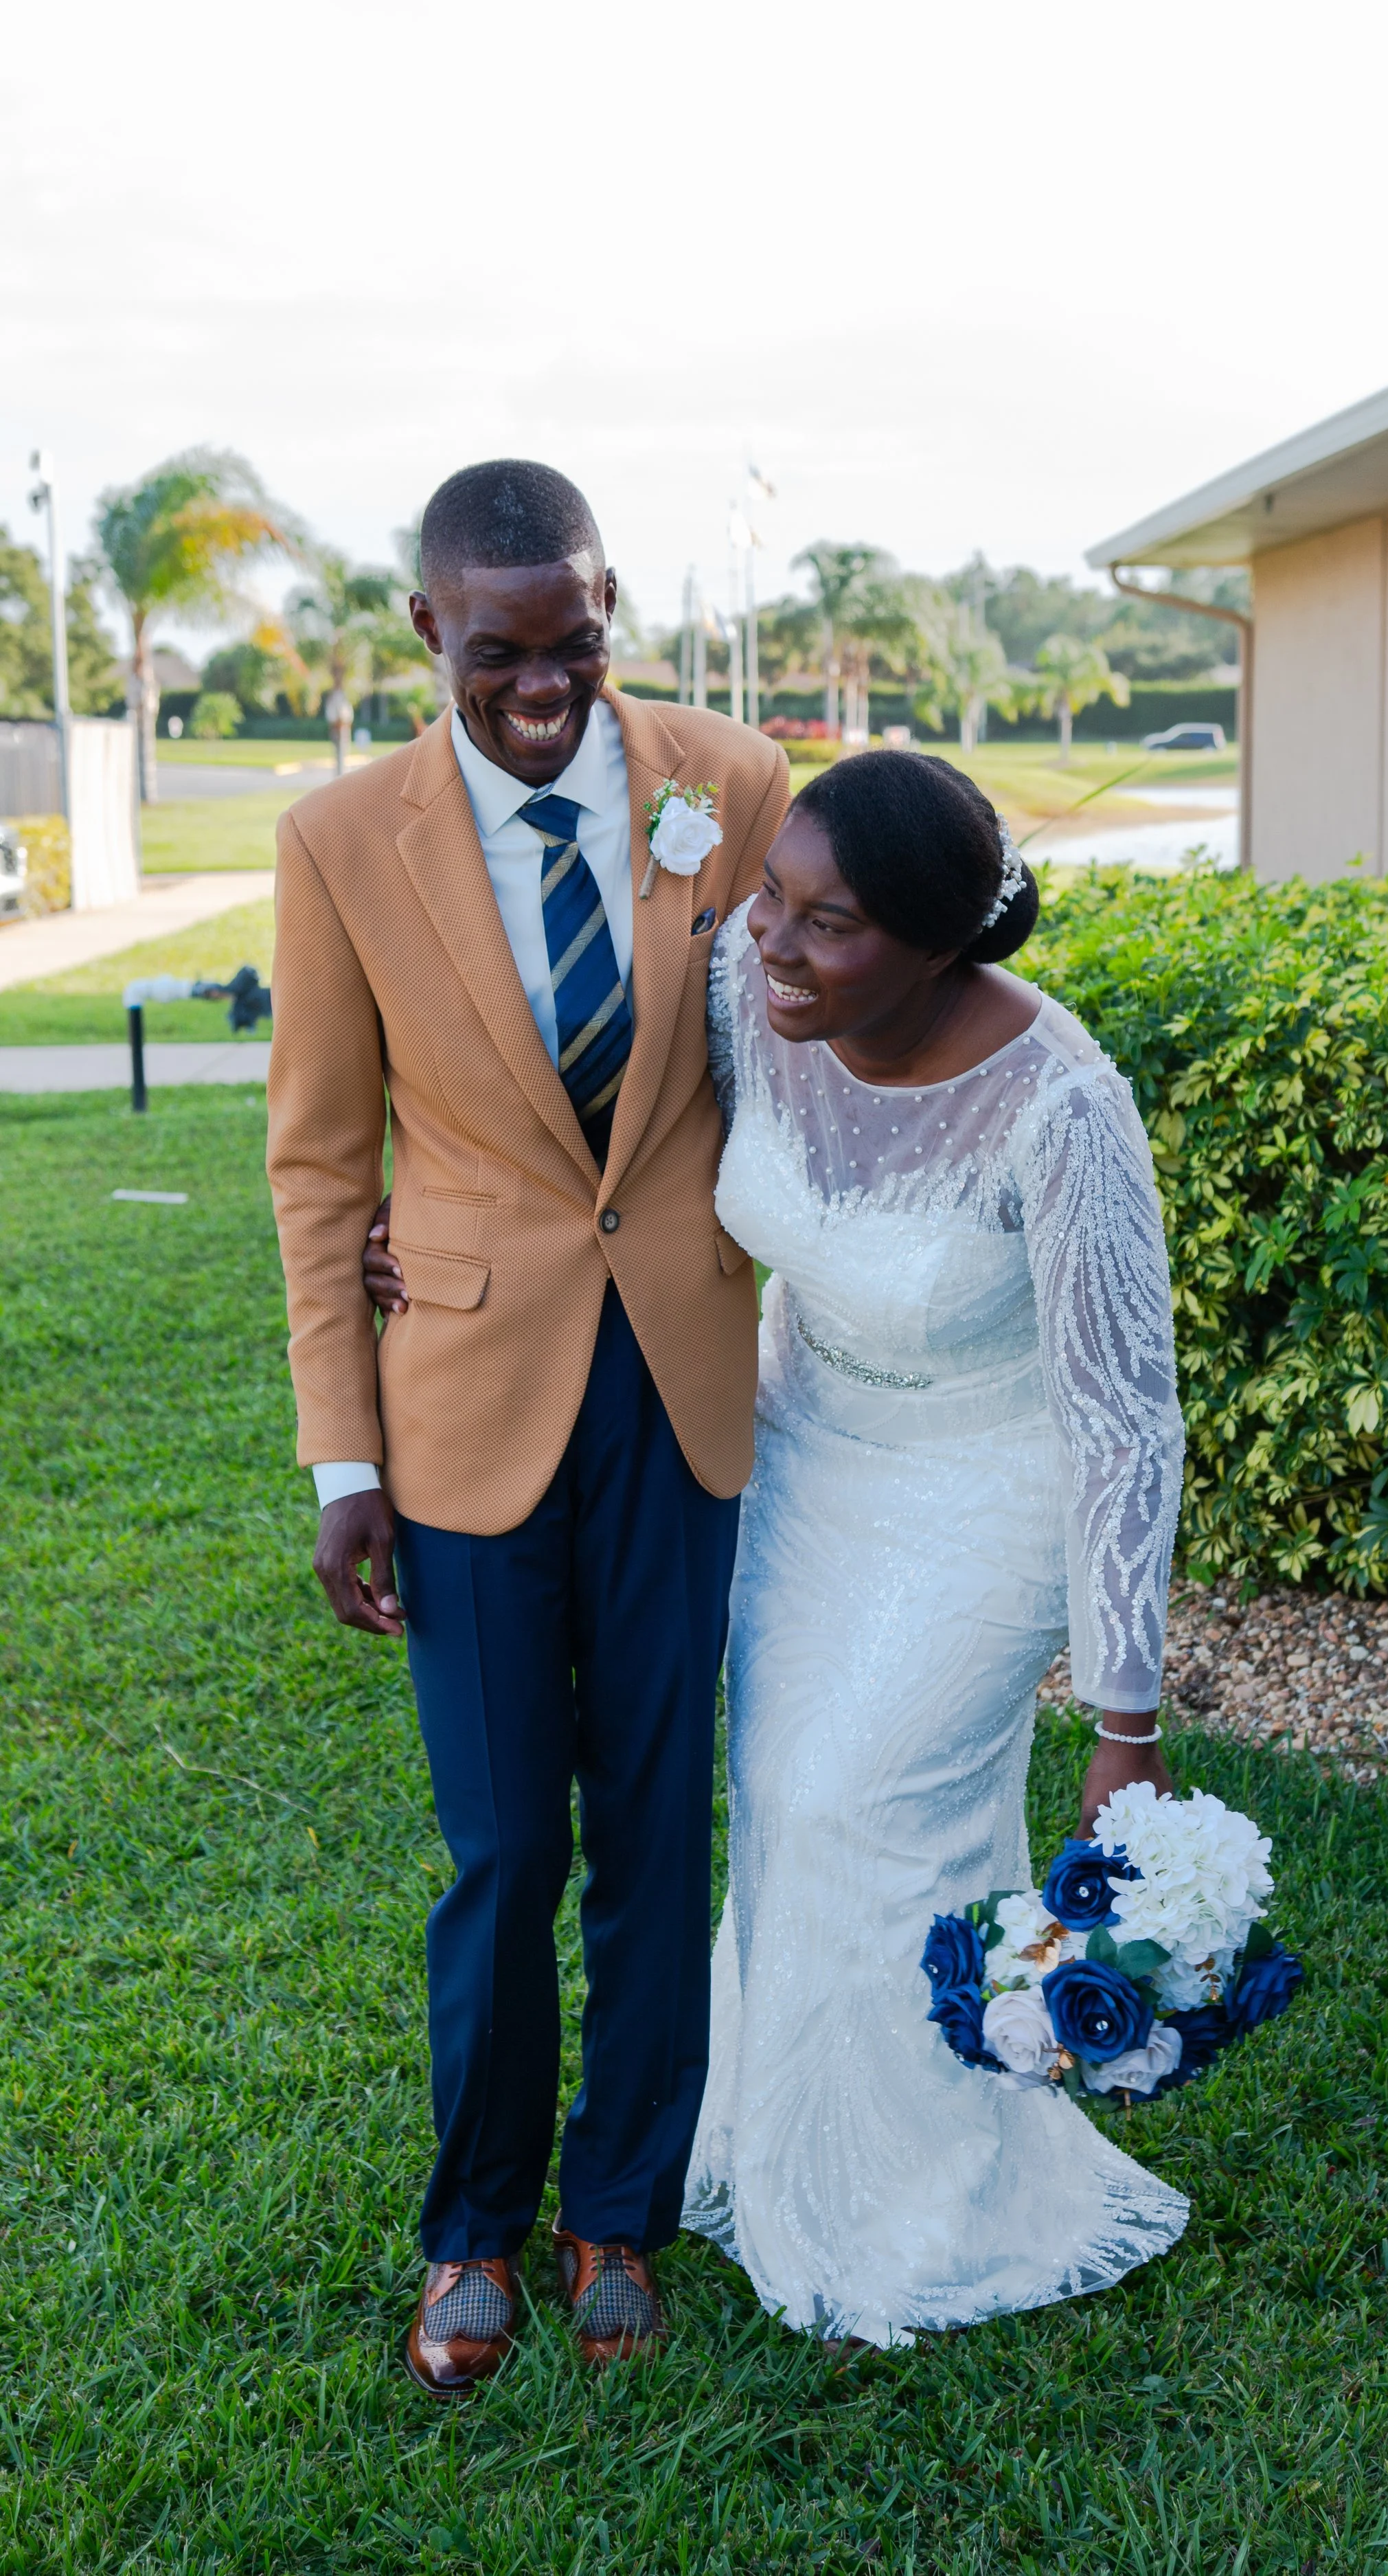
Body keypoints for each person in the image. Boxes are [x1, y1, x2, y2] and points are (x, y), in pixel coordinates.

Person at [366, 749, 1190, 2349]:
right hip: (801, 1451)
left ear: (943, 943)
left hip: (981, 1484)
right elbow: (599, 1157)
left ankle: (928, 2187)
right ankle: (781, 2137)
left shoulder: (1062, 1106)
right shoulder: (758, 1002)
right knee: (788, 1810)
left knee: (851, 1798)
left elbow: (1121, 1419)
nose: (777, 944)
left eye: (834, 926)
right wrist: (430, 1216)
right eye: (773, 900)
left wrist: (1124, 1721)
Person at [266, 459, 790, 2394]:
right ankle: (472, 2224)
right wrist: (341, 1455)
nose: (546, 684)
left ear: (606, 603)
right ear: (428, 632)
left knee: (661, 1821)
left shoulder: (730, 785)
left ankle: (618, 2211)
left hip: (682, 1377)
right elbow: (323, 1165)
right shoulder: (340, 840)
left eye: (577, 638)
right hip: (464, 1399)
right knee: (502, 1846)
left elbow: (804, 1030)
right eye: (503, 652)